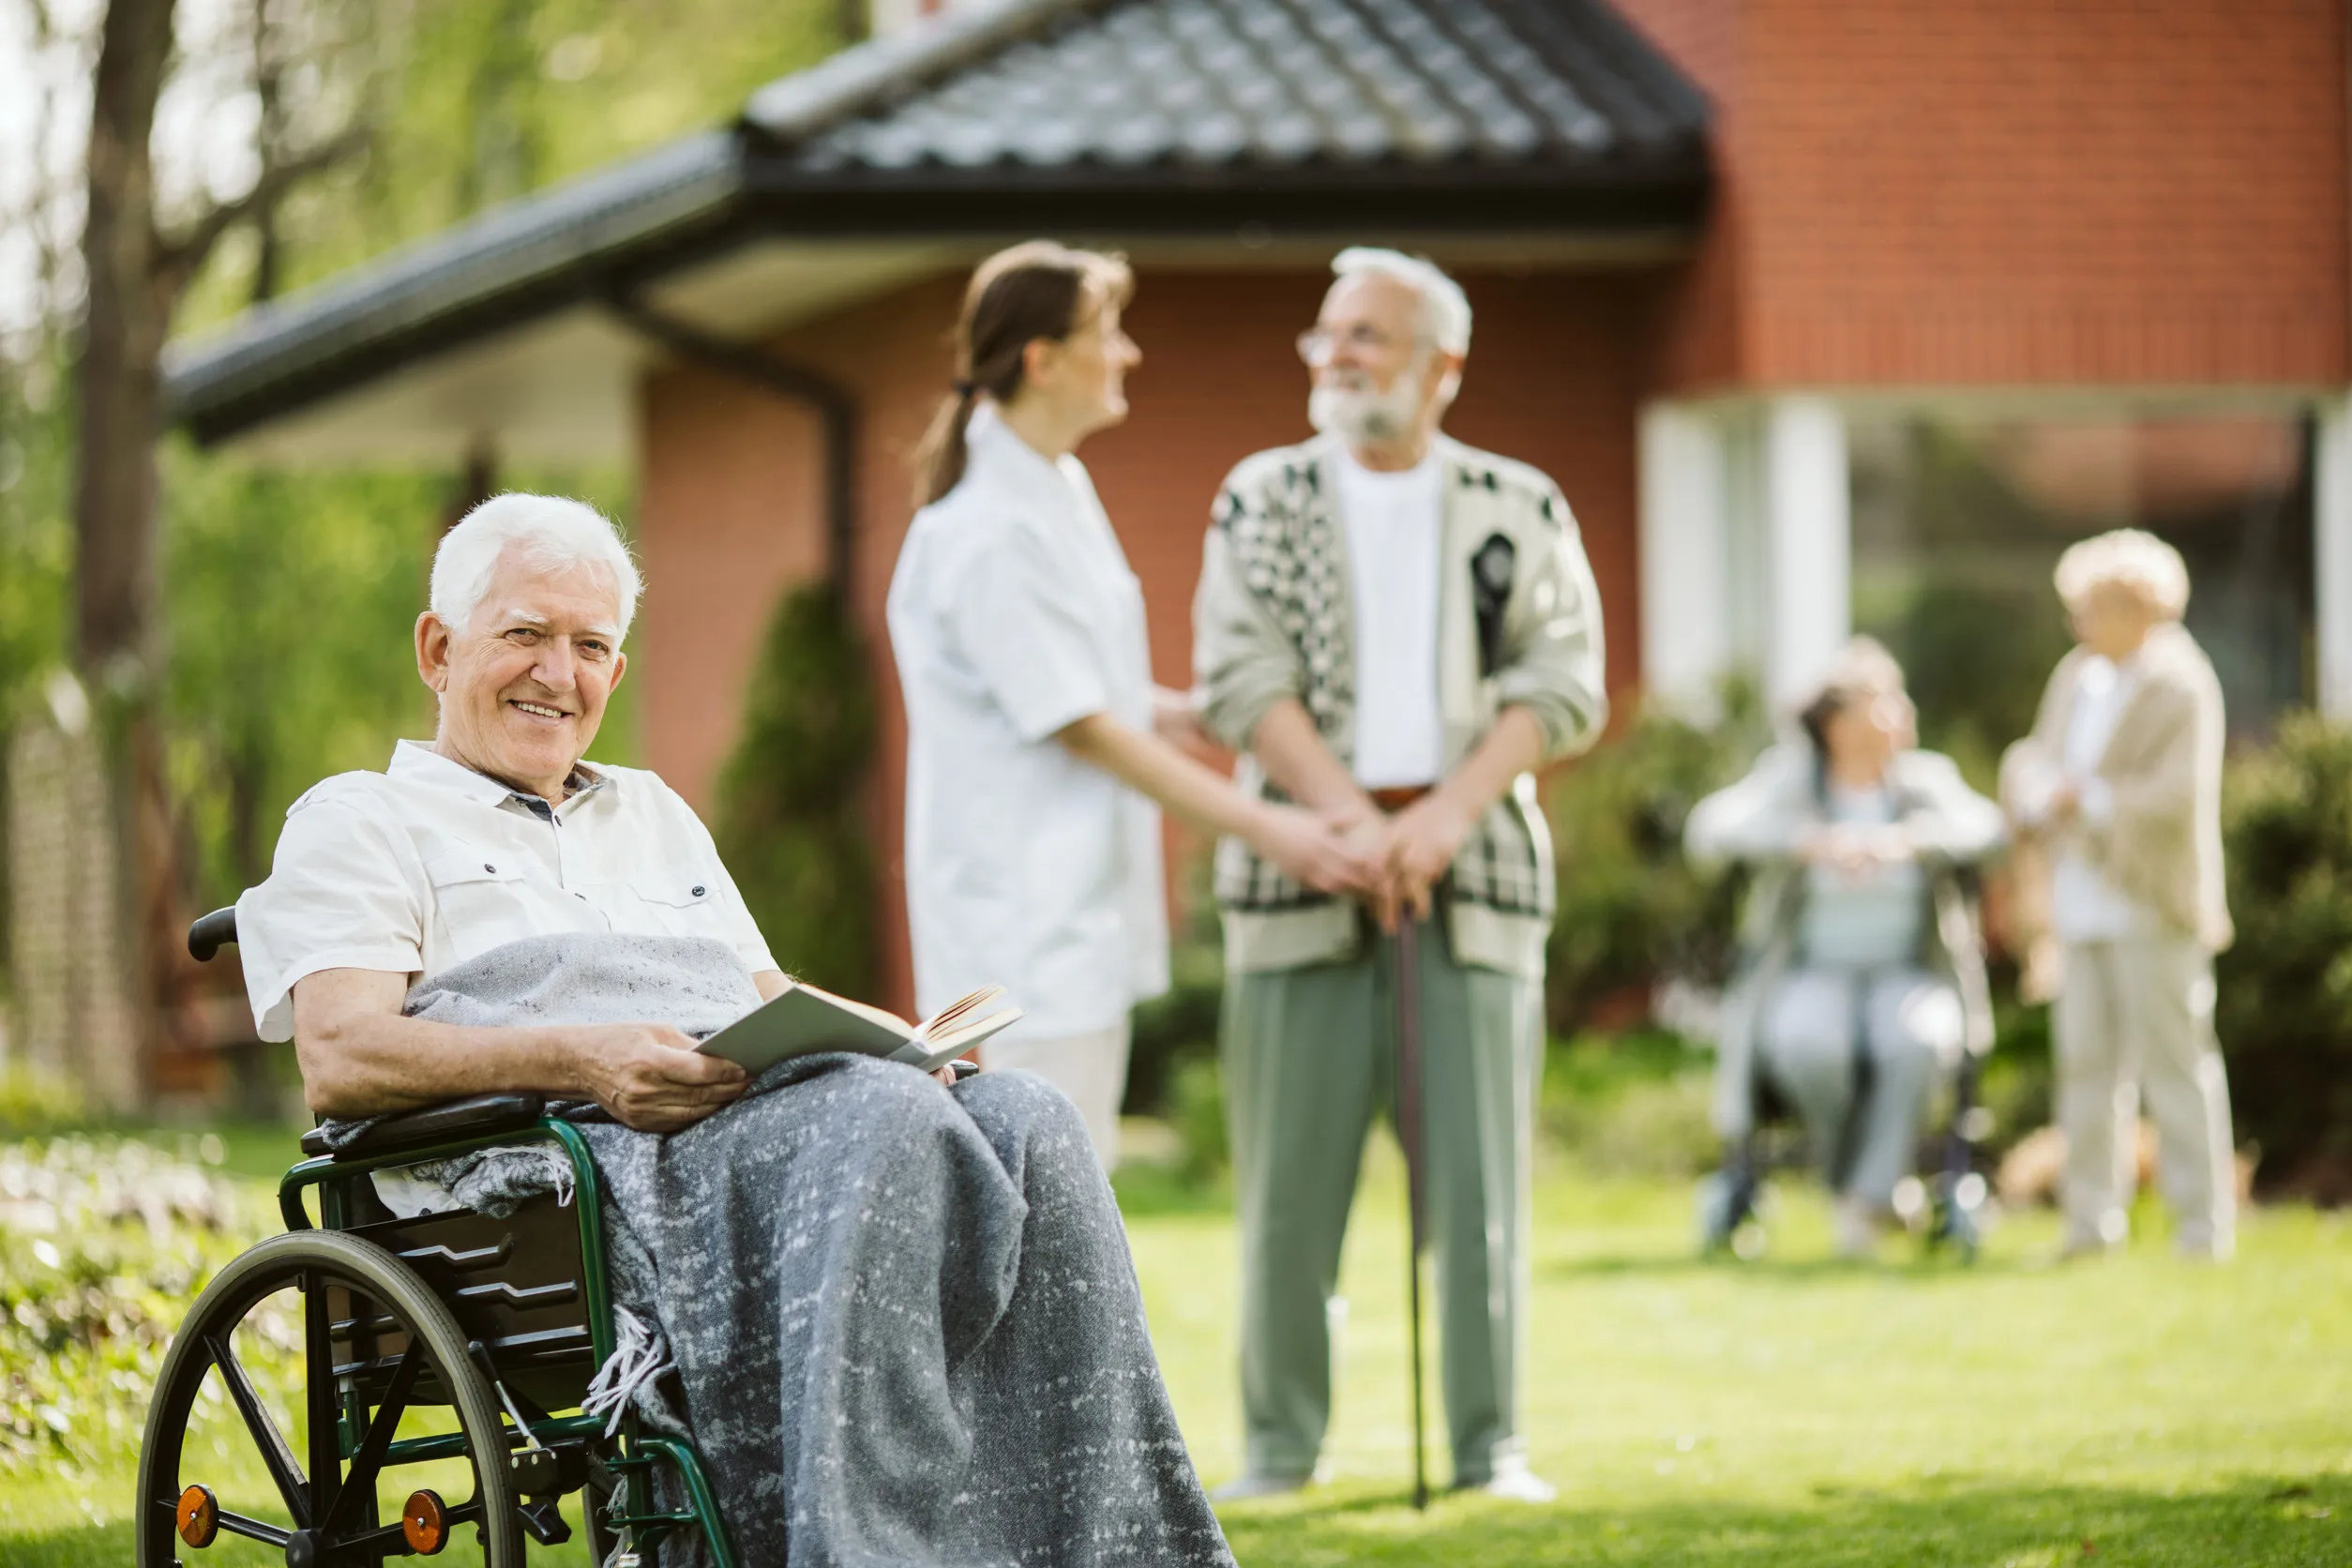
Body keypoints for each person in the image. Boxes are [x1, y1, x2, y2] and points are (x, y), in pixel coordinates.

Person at [235, 492, 1232, 1566]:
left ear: (615, 673)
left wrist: (900, 1035)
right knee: (887, 1123)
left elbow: (752, 993)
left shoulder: (655, 812)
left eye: (589, 646)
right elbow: (342, 1058)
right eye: (524, 633)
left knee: (1026, 1112)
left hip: (753, 1119)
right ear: (439, 648)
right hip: (555, 1174)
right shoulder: (357, 818)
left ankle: (1128, 1547)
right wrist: (583, 1056)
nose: (556, 673)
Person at [1191, 249, 1606, 1501]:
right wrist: (1350, 822)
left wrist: (1440, 822)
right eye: (1330, 333)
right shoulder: (1260, 497)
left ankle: (1491, 1453)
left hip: (1471, 877)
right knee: (1286, 1197)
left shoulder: (1516, 502)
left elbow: (1564, 680)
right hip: (1300, 874)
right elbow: (1237, 677)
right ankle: (1277, 1456)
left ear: (1443, 366)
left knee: (1482, 1197)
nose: (1339, 353)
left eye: (1369, 333)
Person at [888, 241, 1377, 1169]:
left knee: (1076, 1197)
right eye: (1107, 333)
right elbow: (1084, 728)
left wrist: (1194, 712)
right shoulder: (988, 531)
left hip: (1070, 916)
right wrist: (1274, 831)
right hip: (1022, 931)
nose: (1129, 354)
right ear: (1042, 360)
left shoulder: (1055, 487)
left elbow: (1079, 687)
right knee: (1042, 1212)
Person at [1685, 639, 2004, 1258]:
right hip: (1812, 973)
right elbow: (1708, 830)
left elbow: (1988, 828)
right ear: (1839, 724)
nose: (1904, 712)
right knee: (1810, 1048)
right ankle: (1869, 1193)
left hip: (1908, 972)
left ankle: (1863, 1202)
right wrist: (1804, 842)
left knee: (1918, 1044)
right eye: (1887, 701)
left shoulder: (1924, 782)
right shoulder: (1792, 781)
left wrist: (1909, 842)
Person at [2000, 529, 2237, 1260]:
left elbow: (2176, 796)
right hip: (2081, 903)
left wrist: (2087, 799)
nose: (2077, 622)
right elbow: (2036, 756)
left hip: (2152, 902)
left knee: (2175, 1063)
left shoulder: (2181, 682)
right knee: (2087, 1066)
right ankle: (2089, 1224)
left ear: (2138, 606)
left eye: (2090, 606)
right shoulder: (2078, 676)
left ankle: (2202, 1227)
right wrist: (2039, 792)